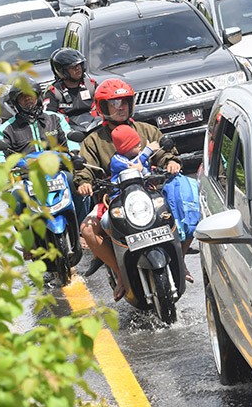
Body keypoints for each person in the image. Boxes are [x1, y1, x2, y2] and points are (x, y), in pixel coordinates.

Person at [75, 79, 189, 301]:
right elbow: (84, 170)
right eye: (114, 103)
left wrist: (171, 163)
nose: (121, 107)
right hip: (114, 199)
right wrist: (83, 183)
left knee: (187, 211)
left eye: (124, 102)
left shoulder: (147, 130)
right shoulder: (93, 140)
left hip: (150, 193)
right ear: (102, 107)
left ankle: (181, 260)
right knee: (88, 230)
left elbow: (165, 153)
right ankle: (120, 273)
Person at [0, 77, 78, 163]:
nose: (27, 98)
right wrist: (1, 163)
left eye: (30, 94)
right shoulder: (6, 129)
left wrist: (74, 152)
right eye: (22, 96)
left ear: (38, 96)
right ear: (16, 103)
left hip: (58, 169)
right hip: (25, 173)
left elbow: (69, 138)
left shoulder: (56, 118)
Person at [43, 48, 97, 119]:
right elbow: (48, 120)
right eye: (72, 67)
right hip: (68, 129)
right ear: (62, 71)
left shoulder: (91, 85)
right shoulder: (53, 92)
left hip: (96, 127)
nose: (78, 68)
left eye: (79, 65)